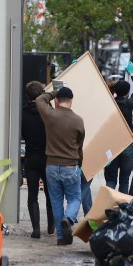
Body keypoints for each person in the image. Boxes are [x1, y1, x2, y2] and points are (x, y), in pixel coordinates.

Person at [36, 86, 85, 246]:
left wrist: (53, 92)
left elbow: (39, 99)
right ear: (71, 100)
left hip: (51, 165)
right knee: (75, 197)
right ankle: (69, 218)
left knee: (56, 201)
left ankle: (61, 237)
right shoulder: (78, 120)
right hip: (70, 165)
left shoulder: (50, 115)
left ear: (57, 100)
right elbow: (79, 146)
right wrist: (79, 165)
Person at [21, 81, 54, 238]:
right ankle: (51, 227)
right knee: (50, 193)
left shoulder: (23, 113)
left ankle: (35, 229)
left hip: (31, 157)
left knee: (32, 194)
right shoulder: (47, 112)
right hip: (48, 157)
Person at [104, 62, 133, 194]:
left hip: (111, 146)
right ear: (127, 93)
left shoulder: (110, 105)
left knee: (110, 179)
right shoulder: (128, 103)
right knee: (124, 180)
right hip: (126, 144)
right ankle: (122, 208)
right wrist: (132, 74)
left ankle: (106, 204)